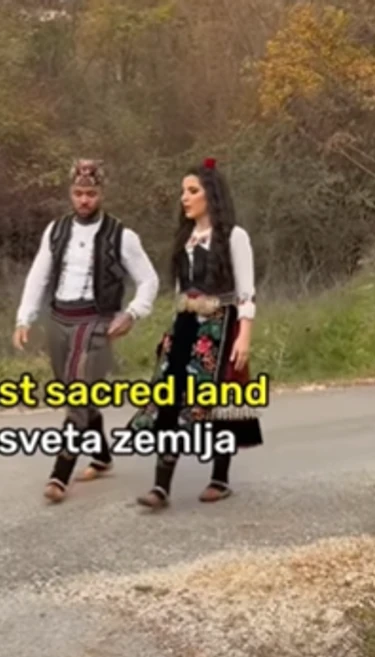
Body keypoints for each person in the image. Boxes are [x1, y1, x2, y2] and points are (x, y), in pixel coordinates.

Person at [13, 158, 160, 503]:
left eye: (91, 194)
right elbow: (39, 275)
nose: (84, 200)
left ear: (101, 193)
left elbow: (149, 280)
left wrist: (133, 313)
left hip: (96, 322)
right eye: (78, 193)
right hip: (59, 319)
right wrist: (24, 318)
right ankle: (102, 456)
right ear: (70, 192)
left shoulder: (122, 235)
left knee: (78, 397)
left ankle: (59, 475)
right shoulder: (56, 230)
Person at [127, 157, 264, 509]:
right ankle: (161, 486)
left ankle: (220, 478)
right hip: (186, 326)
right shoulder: (185, 239)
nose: (184, 198)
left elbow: (246, 292)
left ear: (210, 195)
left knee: (217, 401)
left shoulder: (234, 237)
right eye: (183, 192)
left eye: (192, 191)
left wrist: (244, 336)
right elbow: (180, 291)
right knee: (169, 399)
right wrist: (171, 333)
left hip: (221, 327)